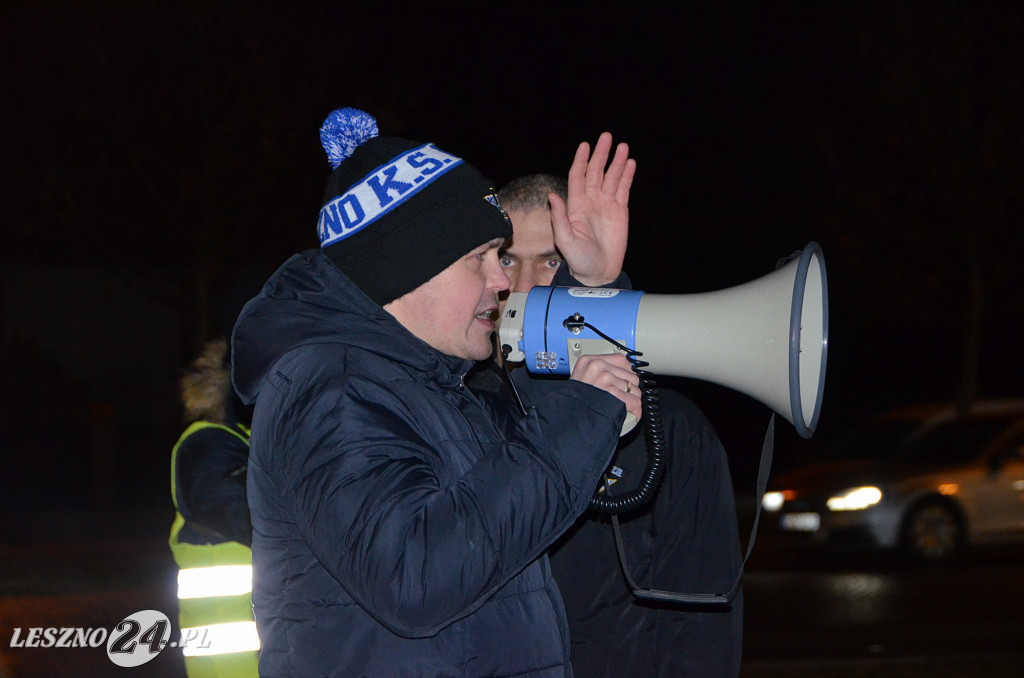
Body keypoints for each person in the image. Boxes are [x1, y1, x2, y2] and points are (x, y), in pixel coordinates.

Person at [230, 107, 642, 677]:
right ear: (404, 270)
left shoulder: (438, 387)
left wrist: (591, 286)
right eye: (480, 258)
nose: (503, 281)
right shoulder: (332, 387)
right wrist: (583, 414)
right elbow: (415, 578)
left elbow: (537, 449)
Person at [472, 147, 743, 676]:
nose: (524, 287)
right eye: (507, 259)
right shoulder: (454, 409)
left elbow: (703, 618)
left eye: (552, 261)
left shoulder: (674, 428)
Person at [169, 338, 260, 677]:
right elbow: (248, 517)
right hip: (230, 664)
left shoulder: (239, 442)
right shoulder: (207, 444)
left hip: (255, 655)